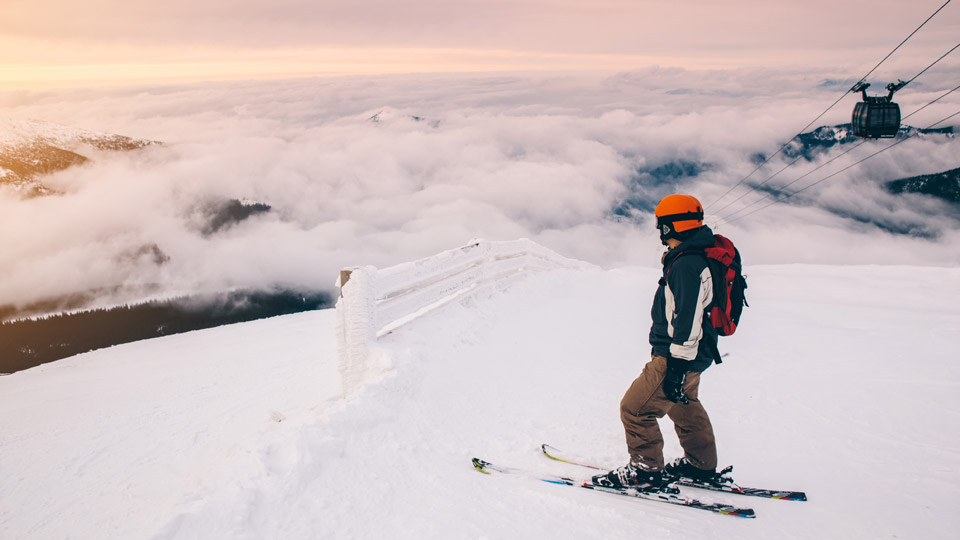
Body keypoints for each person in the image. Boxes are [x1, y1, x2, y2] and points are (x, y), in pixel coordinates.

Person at [592, 193, 721, 492]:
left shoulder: (687, 265)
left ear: (672, 226)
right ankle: (701, 466)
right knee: (682, 405)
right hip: (695, 353)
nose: (658, 231)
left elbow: (688, 319)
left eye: (661, 224)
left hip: (678, 356)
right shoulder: (695, 256)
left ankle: (644, 471)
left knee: (635, 409)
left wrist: (675, 365)